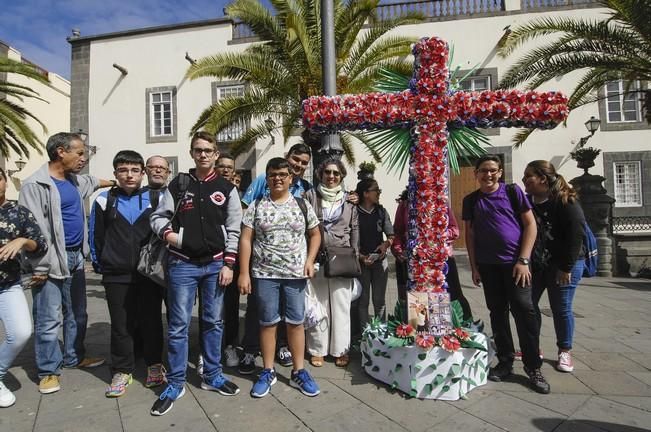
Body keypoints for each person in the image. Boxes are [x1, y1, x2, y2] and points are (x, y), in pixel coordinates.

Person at [149, 131, 242, 416]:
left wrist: (228, 264)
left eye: (208, 150)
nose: (203, 154)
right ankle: (176, 382)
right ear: (192, 153)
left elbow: (235, 228)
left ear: (216, 154)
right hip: (182, 264)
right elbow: (158, 217)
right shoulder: (179, 184)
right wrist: (172, 237)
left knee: (213, 322)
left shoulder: (227, 188)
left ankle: (212, 376)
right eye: (198, 150)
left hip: (215, 265)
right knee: (178, 325)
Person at [19, 132, 113, 394]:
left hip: (75, 258)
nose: (83, 158)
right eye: (80, 153)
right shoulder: (34, 185)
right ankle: (48, 370)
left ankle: (74, 356)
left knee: (77, 313)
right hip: (48, 261)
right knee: (48, 319)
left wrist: (117, 183)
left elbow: (94, 182)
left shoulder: (74, 180)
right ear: (61, 151)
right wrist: (37, 266)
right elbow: (30, 229)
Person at [462, 154, 550, 394]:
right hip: (488, 266)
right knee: (497, 313)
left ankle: (533, 367)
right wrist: (474, 266)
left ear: (499, 172)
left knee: (524, 311)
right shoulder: (470, 200)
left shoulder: (512, 192)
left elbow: (531, 224)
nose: (488, 174)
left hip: (516, 265)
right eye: (483, 170)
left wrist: (523, 260)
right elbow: (470, 236)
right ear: (476, 174)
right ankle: (505, 361)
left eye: (492, 170)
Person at [238, 157, 321, 398]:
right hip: (265, 275)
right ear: (267, 177)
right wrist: (244, 273)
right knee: (267, 323)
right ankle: (267, 370)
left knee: (295, 323)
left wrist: (310, 260)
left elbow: (315, 234)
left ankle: (299, 371)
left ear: (290, 178)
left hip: (295, 275)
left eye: (282, 174)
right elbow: (245, 239)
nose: (278, 179)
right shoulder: (256, 206)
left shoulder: (301, 204)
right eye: (273, 174)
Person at [89, 151, 166, 398]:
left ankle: (155, 363)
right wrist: (103, 265)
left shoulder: (157, 198)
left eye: (134, 170)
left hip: (148, 273)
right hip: (116, 274)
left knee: (151, 320)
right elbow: (95, 237)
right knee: (121, 324)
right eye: (123, 170)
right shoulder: (103, 200)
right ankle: (123, 369)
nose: (129, 175)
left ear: (143, 173)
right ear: (115, 174)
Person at [523, 160, 586, 373]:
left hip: (564, 264)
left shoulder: (565, 201)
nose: (524, 180)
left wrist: (566, 267)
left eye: (528, 176)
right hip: (538, 263)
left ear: (542, 178)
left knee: (561, 308)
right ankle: (533, 348)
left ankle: (564, 350)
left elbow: (576, 236)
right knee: (528, 305)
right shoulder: (528, 201)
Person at [304, 158, 359, 368]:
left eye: (336, 173)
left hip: (342, 259)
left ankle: (341, 349)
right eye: (328, 172)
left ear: (342, 176)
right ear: (321, 174)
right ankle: (317, 349)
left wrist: (355, 256)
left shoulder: (349, 201)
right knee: (318, 306)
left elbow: (355, 231)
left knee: (341, 306)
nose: (331, 177)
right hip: (316, 258)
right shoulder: (310, 196)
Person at [0, 167, 47, 407]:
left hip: (7, 284)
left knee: (20, 333)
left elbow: (40, 245)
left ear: (5, 181)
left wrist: (22, 240)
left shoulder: (17, 212)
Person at [392, 193, 474, 322]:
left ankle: (453, 330)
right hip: (415, 262)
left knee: (449, 297)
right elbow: (398, 231)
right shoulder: (405, 204)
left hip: (440, 261)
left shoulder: (440, 202)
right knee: (419, 301)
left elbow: (454, 230)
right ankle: (422, 332)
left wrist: (436, 235)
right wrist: (399, 250)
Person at [354, 179, 394, 335]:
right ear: (365, 194)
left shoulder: (381, 212)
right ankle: (365, 336)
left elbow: (391, 235)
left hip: (379, 263)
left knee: (379, 301)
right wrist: (361, 257)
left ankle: (381, 334)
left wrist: (385, 245)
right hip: (361, 263)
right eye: (376, 190)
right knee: (363, 301)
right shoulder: (354, 212)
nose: (379, 193)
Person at [215, 152, 240, 368]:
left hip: (231, 259)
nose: (225, 169)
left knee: (230, 306)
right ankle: (209, 350)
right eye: (221, 166)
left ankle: (230, 345)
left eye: (228, 167)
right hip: (208, 258)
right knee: (210, 306)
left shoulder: (235, 194)